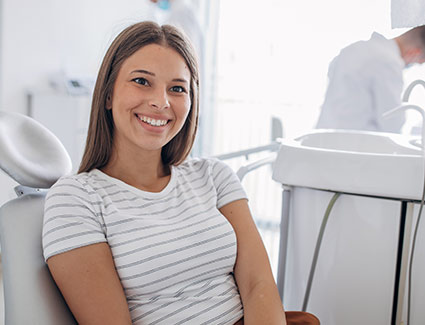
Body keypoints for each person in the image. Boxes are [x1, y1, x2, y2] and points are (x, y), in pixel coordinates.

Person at [41, 21, 287, 324]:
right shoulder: (75, 199)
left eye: (177, 88)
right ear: (107, 95)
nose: (161, 102)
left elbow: (258, 285)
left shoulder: (214, 176)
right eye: (142, 81)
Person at [316, 25, 425, 133]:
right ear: (415, 53)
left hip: (320, 137)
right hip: (351, 144)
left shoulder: (354, 48)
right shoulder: (389, 62)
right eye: (421, 61)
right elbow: (392, 122)